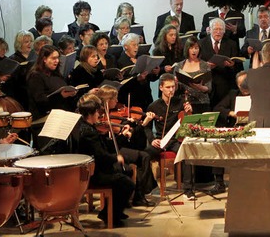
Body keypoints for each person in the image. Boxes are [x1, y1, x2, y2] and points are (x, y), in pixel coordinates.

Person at [72, 94, 133, 227]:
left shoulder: (87, 126)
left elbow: (105, 146)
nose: (99, 116)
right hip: (92, 174)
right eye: (97, 113)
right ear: (90, 114)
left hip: (96, 168)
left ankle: (114, 211)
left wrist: (121, 136)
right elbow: (100, 156)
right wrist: (116, 158)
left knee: (126, 173)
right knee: (127, 183)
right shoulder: (88, 132)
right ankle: (109, 214)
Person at [95, 85, 156, 207]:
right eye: (115, 99)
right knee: (143, 156)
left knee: (144, 155)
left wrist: (127, 129)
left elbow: (119, 141)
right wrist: (122, 134)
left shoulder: (111, 114)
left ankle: (138, 195)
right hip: (109, 151)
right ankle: (138, 196)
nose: (117, 101)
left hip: (115, 147)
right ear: (107, 100)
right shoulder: (98, 116)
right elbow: (111, 144)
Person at [145, 73, 196, 199]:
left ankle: (188, 190)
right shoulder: (154, 106)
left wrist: (189, 111)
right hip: (160, 140)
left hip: (174, 140)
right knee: (144, 155)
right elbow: (146, 127)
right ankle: (148, 188)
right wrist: (152, 140)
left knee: (186, 153)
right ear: (161, 87)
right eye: (168, 87)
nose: (171, 90)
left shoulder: (180, 103)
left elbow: (187, 121)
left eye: (173, 87)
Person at [198, 18, 243, 108]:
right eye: (215, 29)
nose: (218, 32)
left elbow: (239, 67)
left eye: (221, 29)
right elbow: (196, 64)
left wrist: (232, 65)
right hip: (207, 85)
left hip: (226, 86)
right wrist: (206, 66)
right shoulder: (200, 44)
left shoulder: (232, 44)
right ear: (210, 30)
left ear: (224, 31)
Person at [27, 45, 78, 120]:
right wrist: (60, 96)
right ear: (44, 59)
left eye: (58, 58)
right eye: (53, 58)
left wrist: (71, 94)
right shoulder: (35, 76)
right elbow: (40, 101)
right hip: (44, 117)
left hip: (61, 113)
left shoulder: (56, 74)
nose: (57, 61)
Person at [117, 33, 159, 110]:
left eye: (137, 45)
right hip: (131, 100)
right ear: (126, 46)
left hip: (146, 97)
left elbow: (151, 78)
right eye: (133, 45)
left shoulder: (141, 57)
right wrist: (137, 79)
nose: (136, 47)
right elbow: (122, 85)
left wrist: (155, 73)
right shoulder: (120, 61)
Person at [173, 36, 212, 113]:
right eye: (191, 48)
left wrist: (200, 87)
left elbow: (209, 88)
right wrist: (175, 83)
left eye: (196, 48)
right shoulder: (179, 66)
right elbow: (175, 89)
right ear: (187, 49)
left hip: (201, 103)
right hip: (184, 104)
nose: (194, 51)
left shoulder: (205, 65)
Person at [9, 30, 35, 108]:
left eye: (31, 41)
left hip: (34, 91)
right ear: (19, 44)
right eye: (26, 42)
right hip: (21, 94)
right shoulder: (13, 59)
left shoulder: (35, 55)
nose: (29, 44)